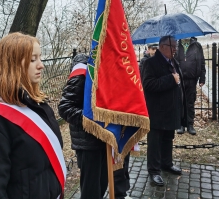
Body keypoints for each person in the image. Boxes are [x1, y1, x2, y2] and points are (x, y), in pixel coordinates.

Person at [0, 32, 66, 199]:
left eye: (40, 57)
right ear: (12, 65)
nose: (41, 65)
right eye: (32, 59)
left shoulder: (39, 106)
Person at [58, 53, 131, 199]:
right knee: (91, 192)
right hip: (88, 143)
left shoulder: (110, 66)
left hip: (105, 140)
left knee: (102, 185)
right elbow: (65, 108)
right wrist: (97, 119)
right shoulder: (83, 68)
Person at [141, 36, 187, 187]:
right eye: (172, 46)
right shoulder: (150, 63)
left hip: (171, 109)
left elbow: (177, 81)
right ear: (162, 46)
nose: (175, 49)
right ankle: (154, 171)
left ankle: (166, 164)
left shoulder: (173, 62)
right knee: (155, 142)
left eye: (176, 46)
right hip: (157, 111)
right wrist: (170, 79)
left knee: (168, 138)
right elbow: (148, 84)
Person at [175, 37, 206, 135]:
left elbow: (202, 62)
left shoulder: (197, 46)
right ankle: (180, 124)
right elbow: (172, 62)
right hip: (179, 79)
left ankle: (190, 124)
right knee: (180, 101)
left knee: (190, 101)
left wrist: (202, 78)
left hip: (192, 79)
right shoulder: (176, 45)